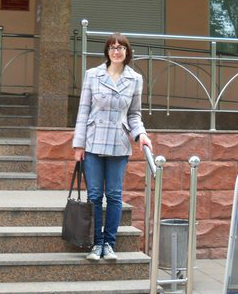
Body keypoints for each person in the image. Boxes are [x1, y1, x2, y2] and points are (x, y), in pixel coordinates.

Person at [72, 33, 152, 260]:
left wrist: (141, 135)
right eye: (112, 47)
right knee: (95, 195)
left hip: (118, 143)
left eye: (121, 48)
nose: (116, 51)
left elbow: (135, 114)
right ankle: (96, 244)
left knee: (115, 195)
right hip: (93, 142)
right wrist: (78, 145)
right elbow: (83, 111)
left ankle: (110, 244)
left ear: (127, 52)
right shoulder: (92, 75)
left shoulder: (135, 79)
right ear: (107, 51)